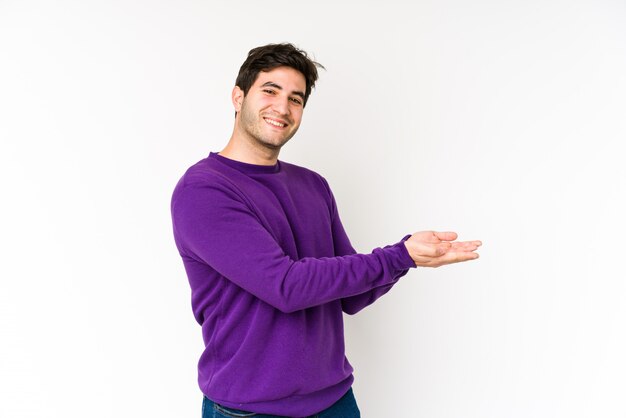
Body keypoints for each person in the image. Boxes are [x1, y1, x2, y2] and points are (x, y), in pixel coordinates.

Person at [170, 43, 481, 418]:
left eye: (296, 99)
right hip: (250, 409)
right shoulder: (204, 190)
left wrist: (409, 259)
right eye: (269, 90)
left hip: (334, 401)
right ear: (239, 96)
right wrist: (400, 255)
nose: (282, 108)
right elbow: (285, 287)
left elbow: (351, 297)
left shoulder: (313, 186)